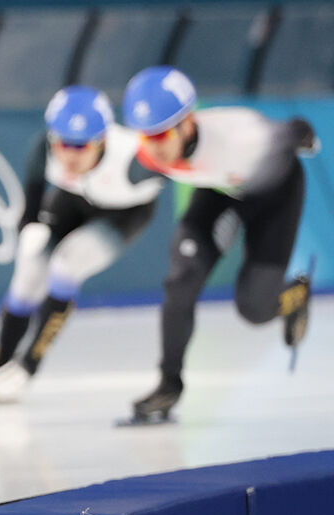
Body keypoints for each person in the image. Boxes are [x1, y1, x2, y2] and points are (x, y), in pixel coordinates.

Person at [0, 86, 165, 405]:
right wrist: (30, 228)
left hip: (124, 213)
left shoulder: (135, 161)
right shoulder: (43, 148)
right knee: (26, 280)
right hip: (72, 203)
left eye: (80, 146)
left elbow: (185, 167)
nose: (69, 155)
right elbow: (30, 206)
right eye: (63, 144)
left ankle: (26, 368)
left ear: (102, 140)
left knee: (66, 265)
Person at [121, 66, 319, 421]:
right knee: (181, 281)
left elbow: (295, 130)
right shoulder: (149, 151)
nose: (154, 148)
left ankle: (297, 295)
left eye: (161, 135)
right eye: (145, 137)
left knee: (255, 309)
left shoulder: (243, 138)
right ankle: (169, 385)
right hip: (221, 191)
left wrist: (305, 136)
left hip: (275, 195)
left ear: (187, 123)